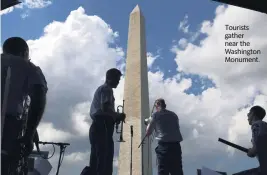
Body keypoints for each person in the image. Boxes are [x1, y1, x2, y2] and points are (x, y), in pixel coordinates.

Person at [1, 37, 48, 174]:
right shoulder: (27, 67)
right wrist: (29, 133)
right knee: (8, 166)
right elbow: (38, 97)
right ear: (24, 52)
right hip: (8, 126)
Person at [88, 68, 126, 175]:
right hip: (102, 125)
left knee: (96, 158)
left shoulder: (101, 89)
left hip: (98, 125)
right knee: (104, 159)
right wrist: (117, 115)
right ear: (109, 78)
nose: (118, 82)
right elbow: (105, 107)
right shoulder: (107, 89)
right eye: (117, 79)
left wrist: (114, 117)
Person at [146, 98, 184, 175]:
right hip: (176, 146)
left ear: (157, 106)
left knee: (163, 171)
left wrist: (148, 123)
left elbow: (148, 132)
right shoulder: (174, 115)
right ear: (165, 105)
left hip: (164, 147)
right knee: (177, 171)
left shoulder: (155, 115)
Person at [233, 105, 267, 175]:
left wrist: (253, 150)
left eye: (249, 113)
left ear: (253, 113)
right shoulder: (263, 125)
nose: (247, 115)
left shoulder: (257, 124)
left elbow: (261, 137)